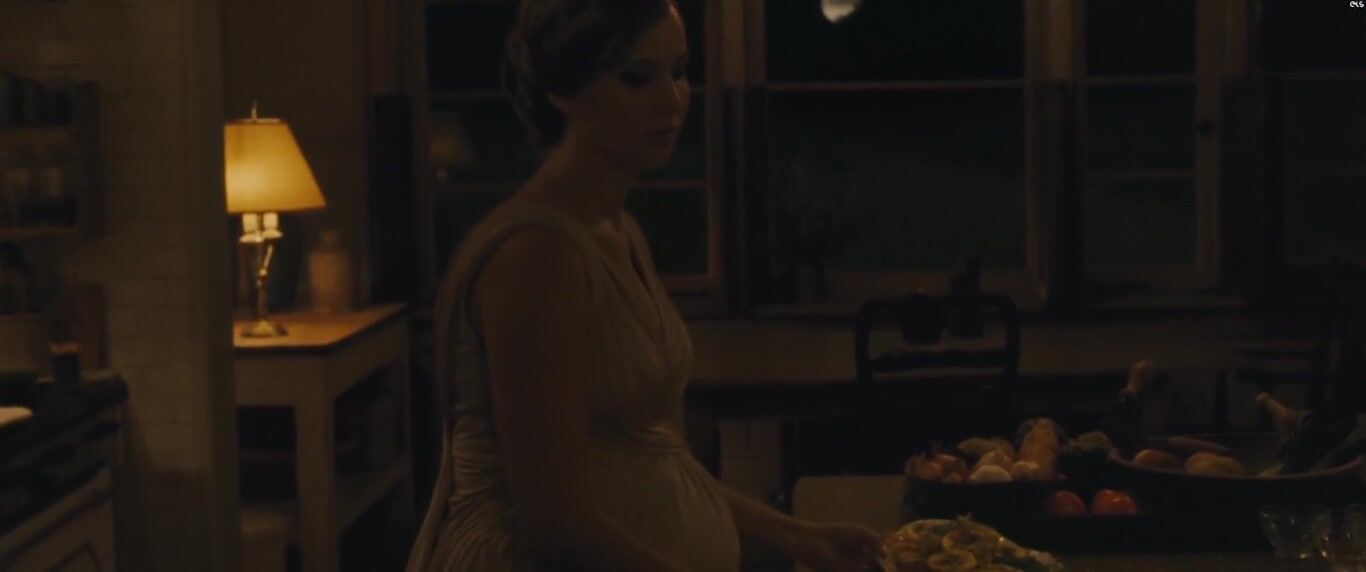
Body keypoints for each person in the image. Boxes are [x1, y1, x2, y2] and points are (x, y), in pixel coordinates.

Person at [407, 0, 884, 570]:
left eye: (678, 72)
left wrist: (801, 537)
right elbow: (555, 524)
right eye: (636, 78)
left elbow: (654, 460)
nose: (671, 100)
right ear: (563, 88)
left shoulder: (618, 229)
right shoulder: (539, 254)